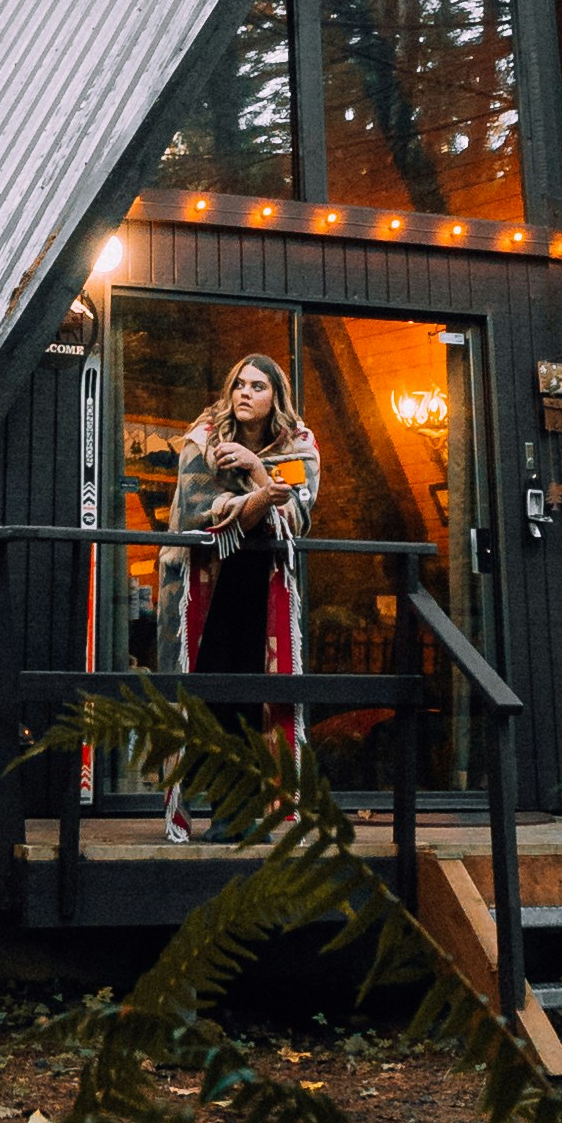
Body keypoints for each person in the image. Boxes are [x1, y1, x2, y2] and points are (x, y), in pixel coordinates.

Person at [159, 353, 320, 843]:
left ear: (276, 397)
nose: (245, 394)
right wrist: (258, 493)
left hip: (263, 583)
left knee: (259, 698)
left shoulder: (300, 444)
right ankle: (220, 807)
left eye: (257, 386)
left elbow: (296, 513)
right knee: (204, 694)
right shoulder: (204, 437)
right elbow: (194, 512)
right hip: (204, 584)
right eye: (239, 385)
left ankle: (253, 809)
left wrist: (254, 467)